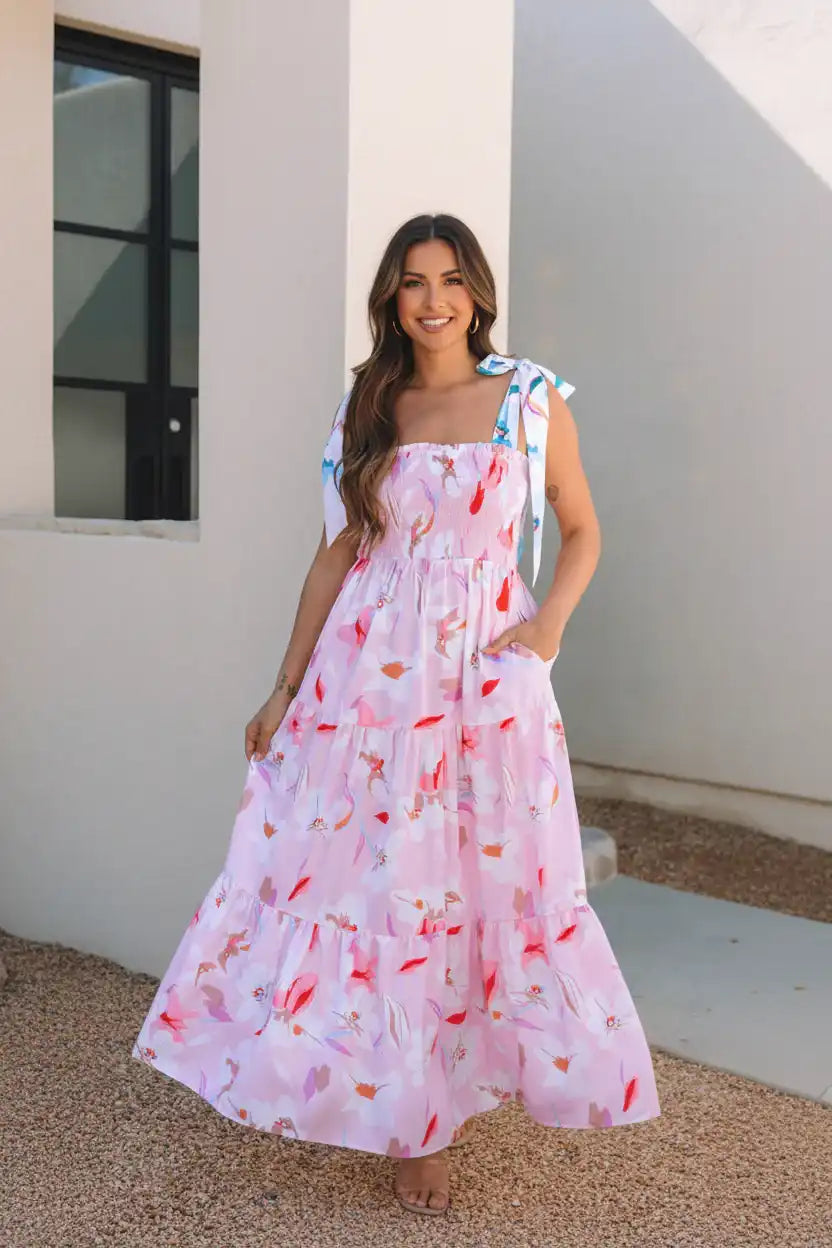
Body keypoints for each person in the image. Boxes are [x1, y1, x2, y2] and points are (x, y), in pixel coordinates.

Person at [132, 213, 660, 1217]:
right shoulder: (373, 403)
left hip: (487, 677)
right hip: (366, 684)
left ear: (477, 291)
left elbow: (584, 528)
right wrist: (284, 686)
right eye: (412, 282)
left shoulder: (531, 398)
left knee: (481, 880)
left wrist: (546, 628)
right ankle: (413, 1123)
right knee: (382, 888)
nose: (431, 301)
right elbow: (337, 553)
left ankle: (461, 1094)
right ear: (390, 297)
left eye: (449, 280)